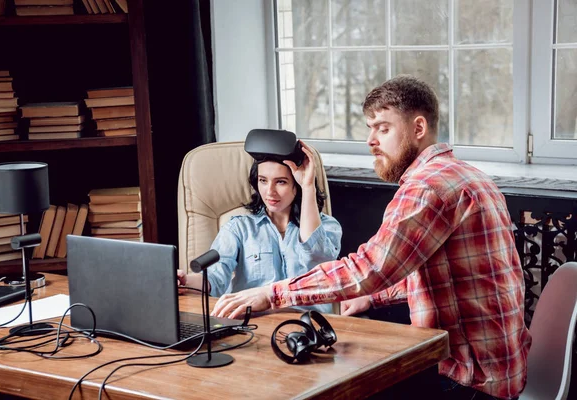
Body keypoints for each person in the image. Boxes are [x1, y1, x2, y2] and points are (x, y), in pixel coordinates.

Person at [210, 75, 532, 400]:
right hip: (499, 370)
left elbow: (369, 267)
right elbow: (451, 273)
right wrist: (372, 298)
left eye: (383, 128)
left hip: (465, 380)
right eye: (369, 128)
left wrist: (274, 294)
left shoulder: (426, 188)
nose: (370, 140)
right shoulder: (470, 176)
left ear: (418, 128)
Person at [177, 140, 342, 314]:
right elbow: (215, 277)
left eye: (281, 182)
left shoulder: (328, 227)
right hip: (254, 325)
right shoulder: (238, 228)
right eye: (263, 180)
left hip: (309, 327)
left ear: (297, 184)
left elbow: (319, 260)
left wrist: (308, 186)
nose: (270, 191)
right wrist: (185, 281)